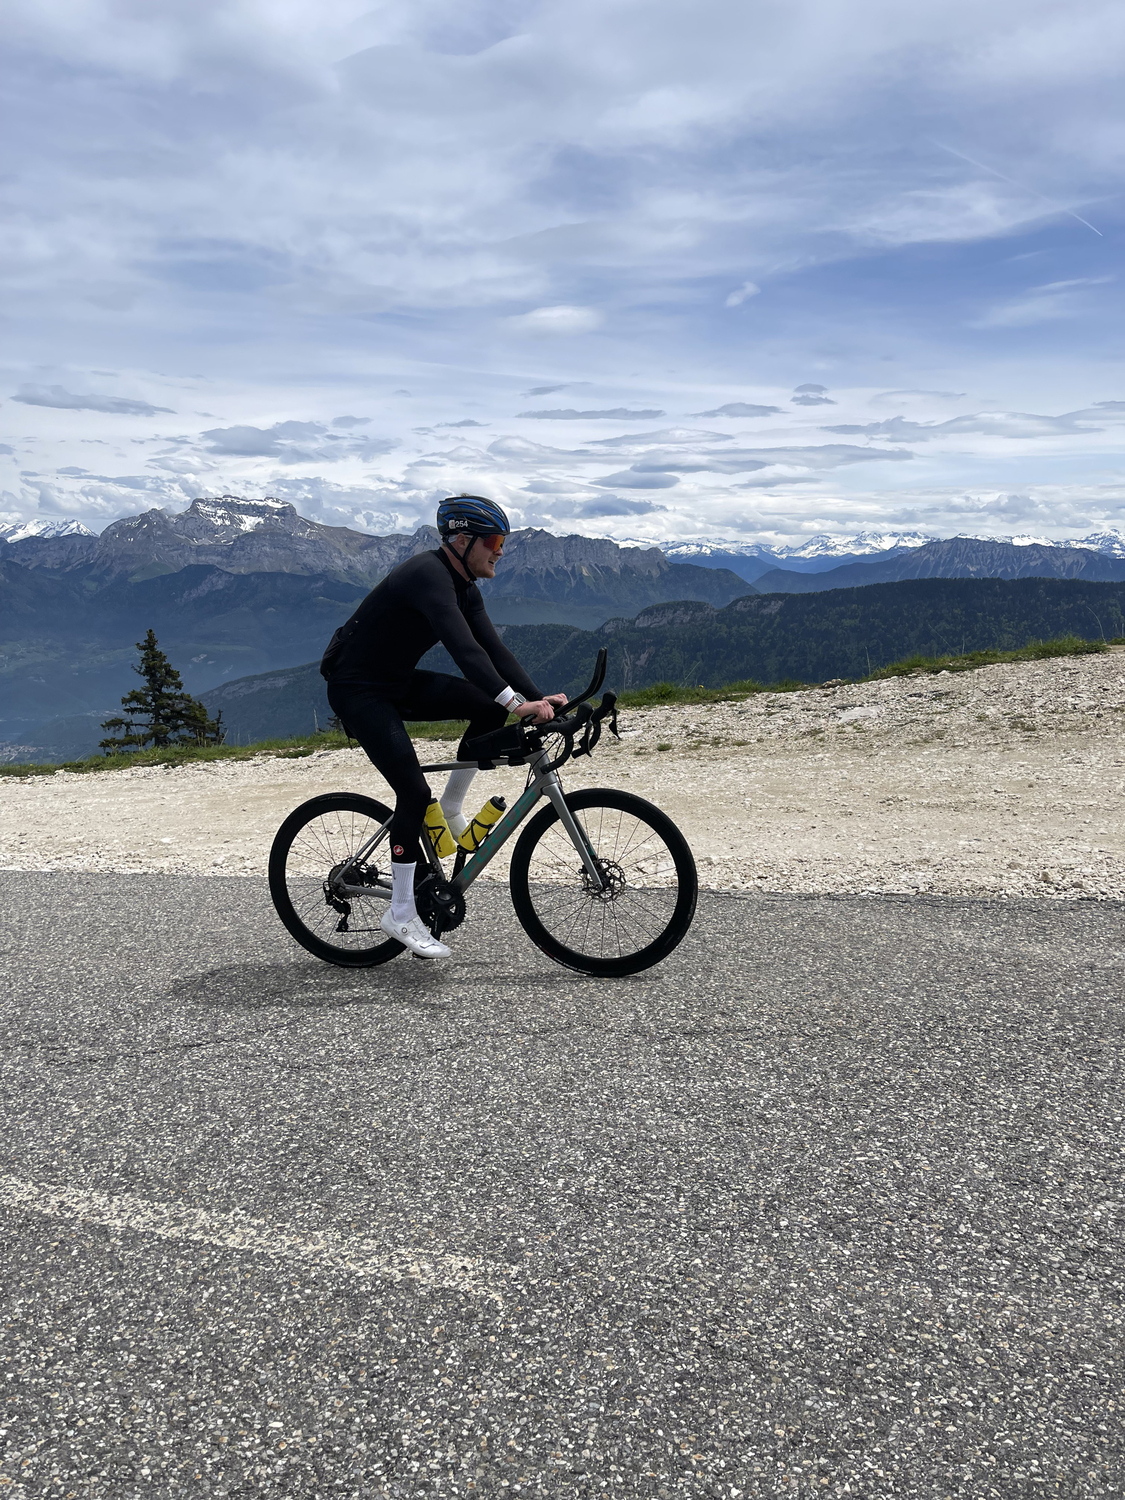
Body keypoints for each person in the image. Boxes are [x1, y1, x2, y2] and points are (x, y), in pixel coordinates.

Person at [322, 495, 567, 960]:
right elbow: (465, 652)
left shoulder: (465, 586)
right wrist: (518, 705)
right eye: (494, 541)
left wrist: (541, 698)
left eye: (502, 542)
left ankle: (451, 808)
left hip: (396, 682)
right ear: (462, 540)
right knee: (413, 793)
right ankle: (400, 912)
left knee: (487, 707)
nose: (500, 551)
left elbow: (493, 650)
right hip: (358, 691)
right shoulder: (428, 575)